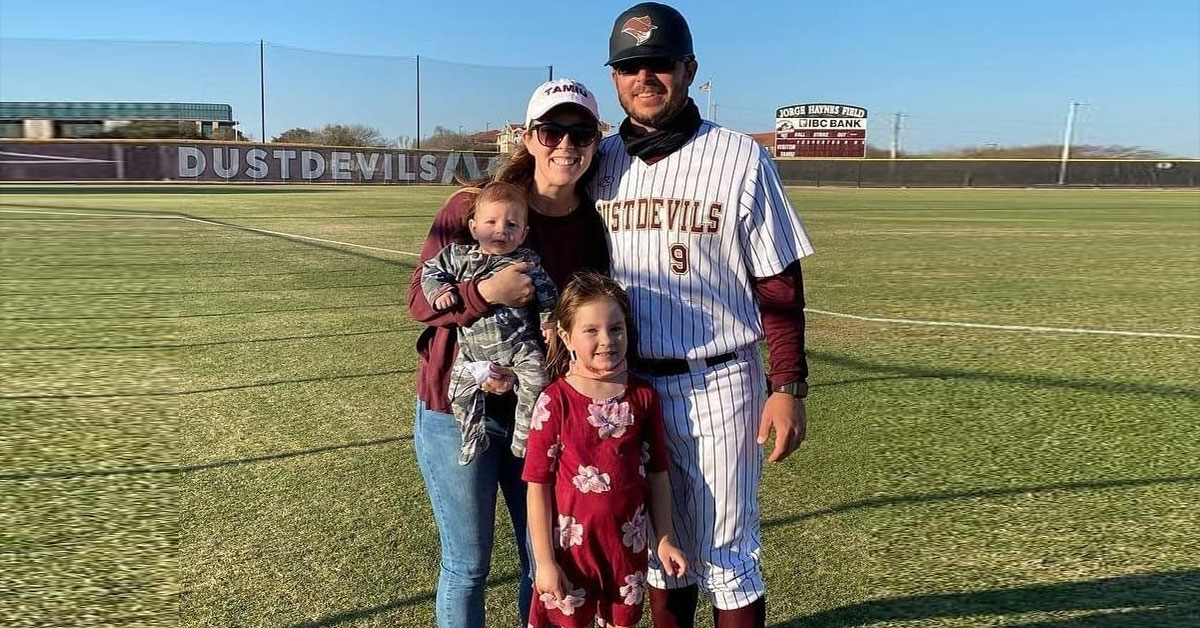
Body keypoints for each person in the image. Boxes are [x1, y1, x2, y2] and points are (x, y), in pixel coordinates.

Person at [589, 4, 816, 627]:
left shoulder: (739, 157)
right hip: (627, 385)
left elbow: (779, 283)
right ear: (614, 77)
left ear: (688, 70)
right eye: (630, 66)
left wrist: (788, 384)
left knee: (727, 551)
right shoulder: (600, 162)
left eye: (659, 64)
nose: (645, 78)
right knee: (661, 552)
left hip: (719, 380)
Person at [408, 78, 610, 628]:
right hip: (457, 410)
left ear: (597, 140)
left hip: (539, 411)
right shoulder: (472, 206)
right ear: (528, 136)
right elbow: (418, 303)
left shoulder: (592, 225)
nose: (565, 145)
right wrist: (482, 294)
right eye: (551, 130)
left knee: (538, 559)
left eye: (581, 132)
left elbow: (587, 324)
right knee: (468, 566)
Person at [523, 272, 688, 628]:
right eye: (591, 330)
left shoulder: (643, 398)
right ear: (566, 337)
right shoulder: (555, 402)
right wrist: (545, 562)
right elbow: (537, 487)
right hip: (570, 554)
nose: (606, 340)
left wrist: (664, 539)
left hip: (625, 553)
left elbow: (658, 473)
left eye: (616, 329)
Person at [420, 182, 558, 464]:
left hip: (519, 346)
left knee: (537, 379)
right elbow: (430, 271)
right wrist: (440, 292)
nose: (501, 230)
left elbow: (548, 293)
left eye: (511, 225)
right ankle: (473, 437)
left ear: (524, 233)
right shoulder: (458, 256)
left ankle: (523, 441)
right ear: (473, 227)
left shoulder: (527, 261)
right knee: (457, 392)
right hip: (472, 352)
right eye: (491, 222)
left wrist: (548, 321)